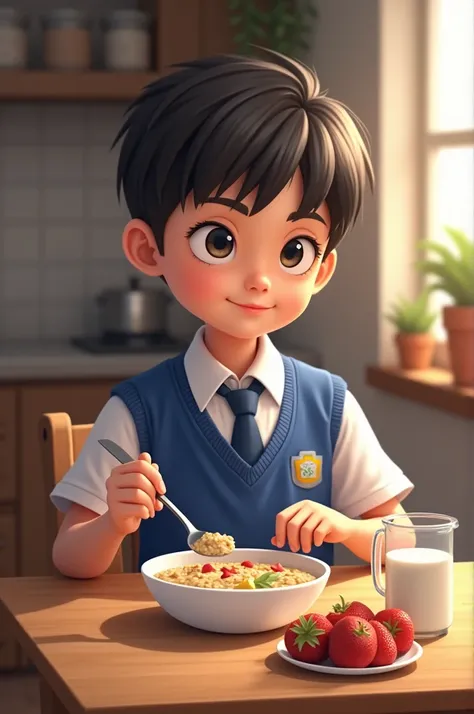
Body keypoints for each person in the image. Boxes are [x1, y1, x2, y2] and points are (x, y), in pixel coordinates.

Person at [50, 50, 413, 579]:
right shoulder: (140, 410)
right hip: (174, 644)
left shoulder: (328, 405)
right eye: (220, 241)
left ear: (321, 269)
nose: (260, 278)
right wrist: (113, 524)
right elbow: (68, 558)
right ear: (149, 250)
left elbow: (402, 542)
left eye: (294, 251)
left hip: (299, 648)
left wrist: (346, 528)